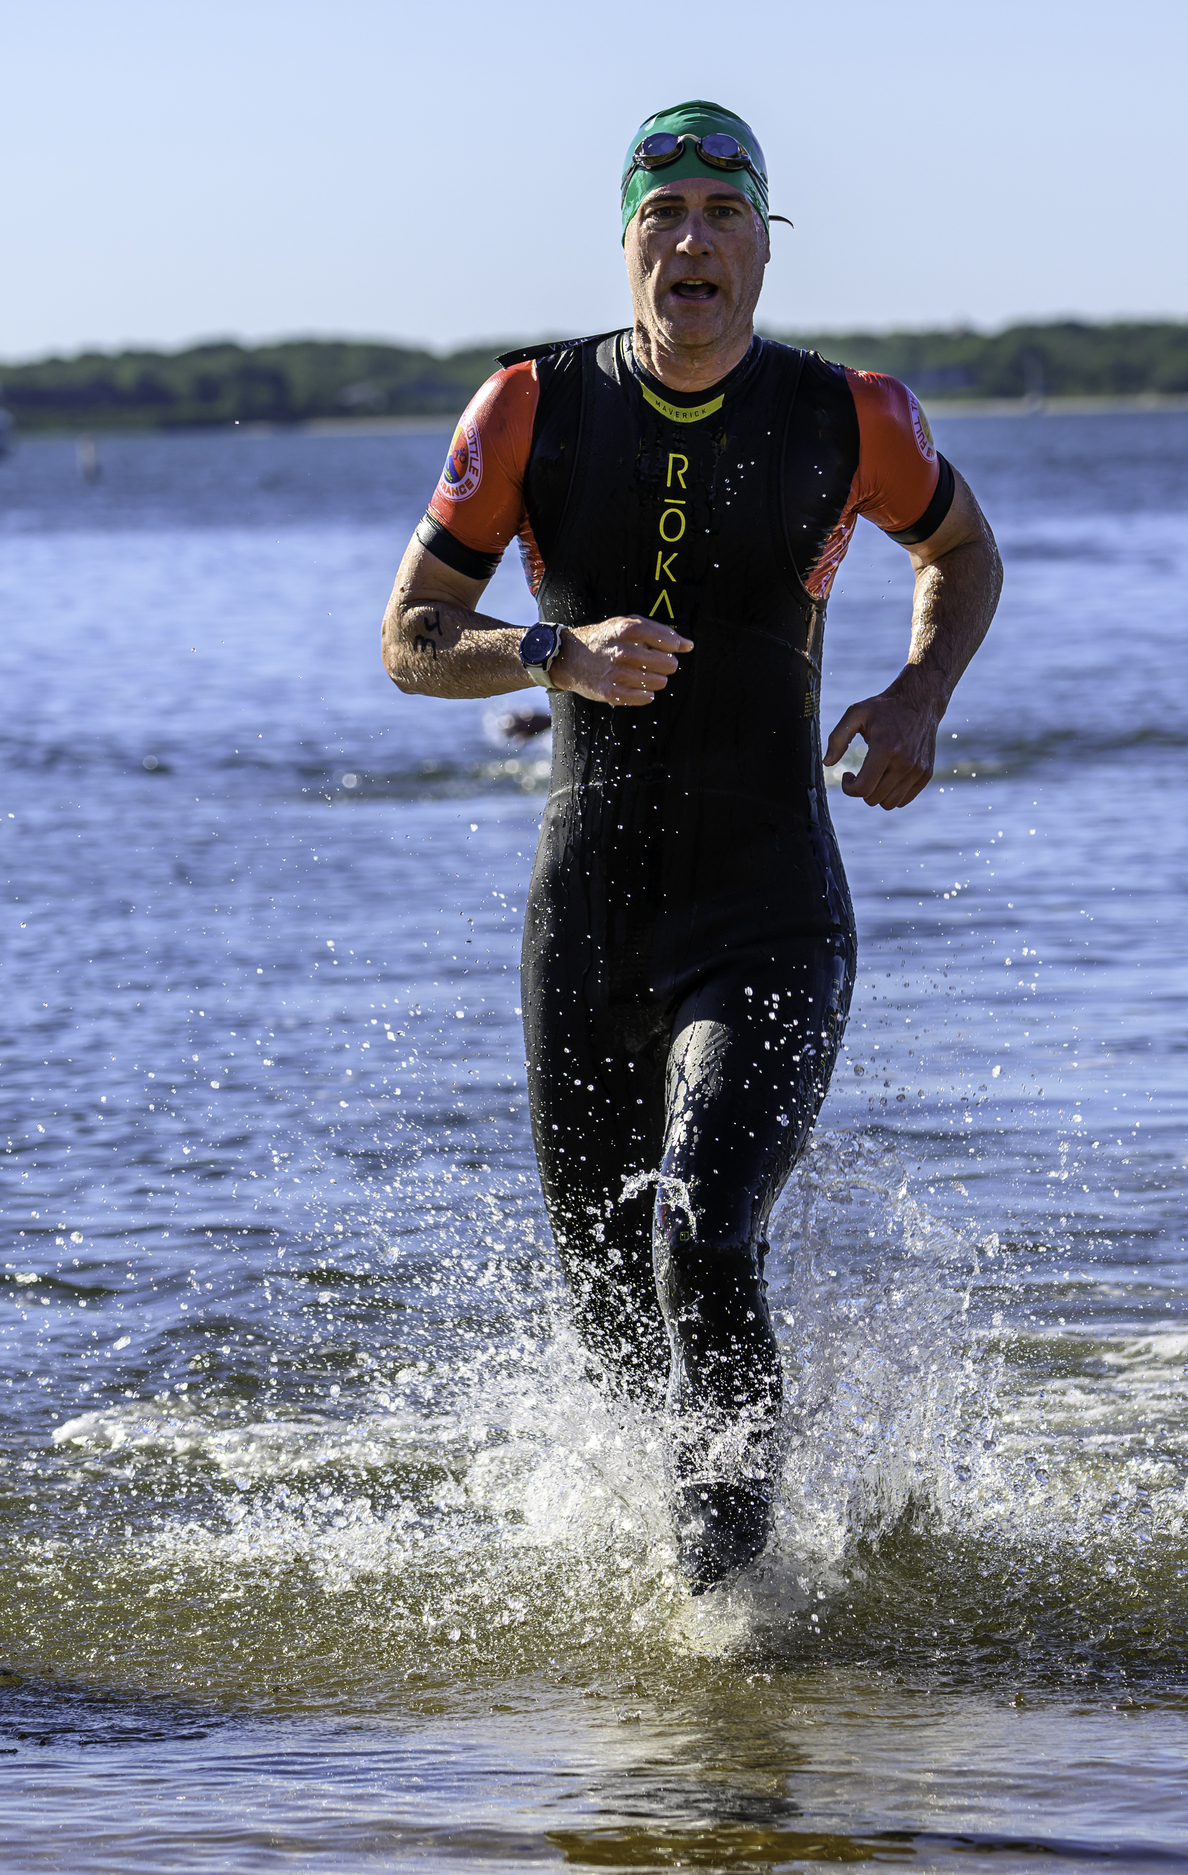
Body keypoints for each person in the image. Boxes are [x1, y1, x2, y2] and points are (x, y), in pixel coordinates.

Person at [379, 100, 1002, 1589]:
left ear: (762, 249)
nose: (694, 241)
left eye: (726, 213)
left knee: (704, 1232)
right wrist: (553, 650)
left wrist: (920, 694)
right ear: (629, 244)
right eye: (666, 215)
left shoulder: (853, 415)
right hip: (587, 921)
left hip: (771, 906)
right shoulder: (530, 410)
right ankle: (695, 1559)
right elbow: (409, 639)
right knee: (606, 1309)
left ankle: (730, 1621)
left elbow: (961, 551)